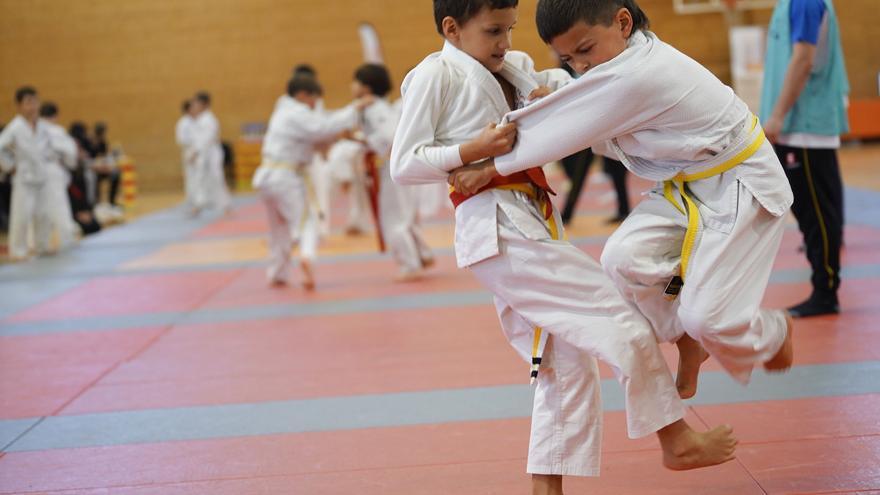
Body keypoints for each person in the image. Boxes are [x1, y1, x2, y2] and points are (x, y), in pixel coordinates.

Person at [392, 2, 738, 492]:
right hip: (497, 224)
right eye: (493, 31)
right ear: (452, 28)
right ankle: (675, 437)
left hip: (529, 218)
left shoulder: (511, 67)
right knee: (617, 320)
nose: (505, 42)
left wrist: (554, 90)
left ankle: (546, 488)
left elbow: (569, 96)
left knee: (565, 360)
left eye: (508, 29)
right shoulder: (435, 75)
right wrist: (470, 151)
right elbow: (403, 163)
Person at [450, 0, 795, 413]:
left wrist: (489, 164)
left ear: (623, 21)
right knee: (622, 259)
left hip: (740, 186)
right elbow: (591, 107)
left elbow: (564, 130)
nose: (580, 65)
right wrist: (560, 95)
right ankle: (684, 338)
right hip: (686, 186)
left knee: (711, 319)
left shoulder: (642, 74)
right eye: (569, 58)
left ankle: (772, 332)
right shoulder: (622, 66)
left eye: (586, 49)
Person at [760, 0, 849, 318]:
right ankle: (824, 288)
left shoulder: (805, 2)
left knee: (817, 214)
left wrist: (778, 115)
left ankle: (825, 292)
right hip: (799, 128)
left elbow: (804, 59)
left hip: (803, 128)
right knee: (817, 210)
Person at [252, 75, 371, 289]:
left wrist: (337, 137)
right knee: (308, 223)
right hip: (284, 177)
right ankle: (307, 257)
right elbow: (322, 127)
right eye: (313, 99)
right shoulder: (296, 113)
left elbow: (315, 137)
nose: (315, 105)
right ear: (302, 95)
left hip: (268, 177)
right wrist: (355, 108)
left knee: (279, 228)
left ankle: (278, 273)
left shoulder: (283, 111)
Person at [355, 63, 435, 281]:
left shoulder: (375, 109)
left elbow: (390, 137)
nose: (352, 87)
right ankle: (422, 254)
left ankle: (409, 265)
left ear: (366, 87)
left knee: (393, 218)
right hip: (399, 164)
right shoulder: (380, 107)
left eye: (356, 82)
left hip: (392, 166)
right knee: (405, 215)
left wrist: (362, 140)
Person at [0, 87, 55, 260]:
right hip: (23, 177)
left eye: (35, 101)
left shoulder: (43, 127)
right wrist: (9, 167)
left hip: (42, 175)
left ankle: (42, 246)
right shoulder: (15, 127)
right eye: (28, 102)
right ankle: (18, 251)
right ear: (19, 106)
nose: (32, 106)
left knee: (44, 214)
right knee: (21, 216)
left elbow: (49, 149)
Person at [39, 102, 79, 250]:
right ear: (55, 116)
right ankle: (67, 239)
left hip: (32, 173)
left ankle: (39, 244)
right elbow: (71, 154)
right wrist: (70, 165)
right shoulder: (57, 130)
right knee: (60, 207)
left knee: (41, 209)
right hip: (52, 170)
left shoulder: (33, 129)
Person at [190, 91, 232, 215]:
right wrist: (195, 151)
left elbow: (207, 139)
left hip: (212, 152)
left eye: (196, 103)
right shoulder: (200, 119)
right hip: (204, 152)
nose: (195, 105)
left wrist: (195, 152)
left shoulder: (209, 119)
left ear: (204, 104)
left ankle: (225, 205)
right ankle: (199, 204)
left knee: (216, 178)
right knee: (200, 178)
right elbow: (198, 139)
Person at [175, 99, 200, 211]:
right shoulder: (183, 123)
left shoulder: (196, 121)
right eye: (193, 107)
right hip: (189, 151)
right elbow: (180, 139)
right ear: (188, 109)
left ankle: (199, 201)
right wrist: (191, 151)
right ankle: (192, 201)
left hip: (198, 150)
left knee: (199, 177)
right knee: (191, 177)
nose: (195, 109)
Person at [91, 122, 120, 208]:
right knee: (93, 177)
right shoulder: (90, 142)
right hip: (93, 170)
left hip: (102, 168)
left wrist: (107, 166)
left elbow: (104, 157)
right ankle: (96, 201)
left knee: (116, 174)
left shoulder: (103, 143)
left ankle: (111, 201)